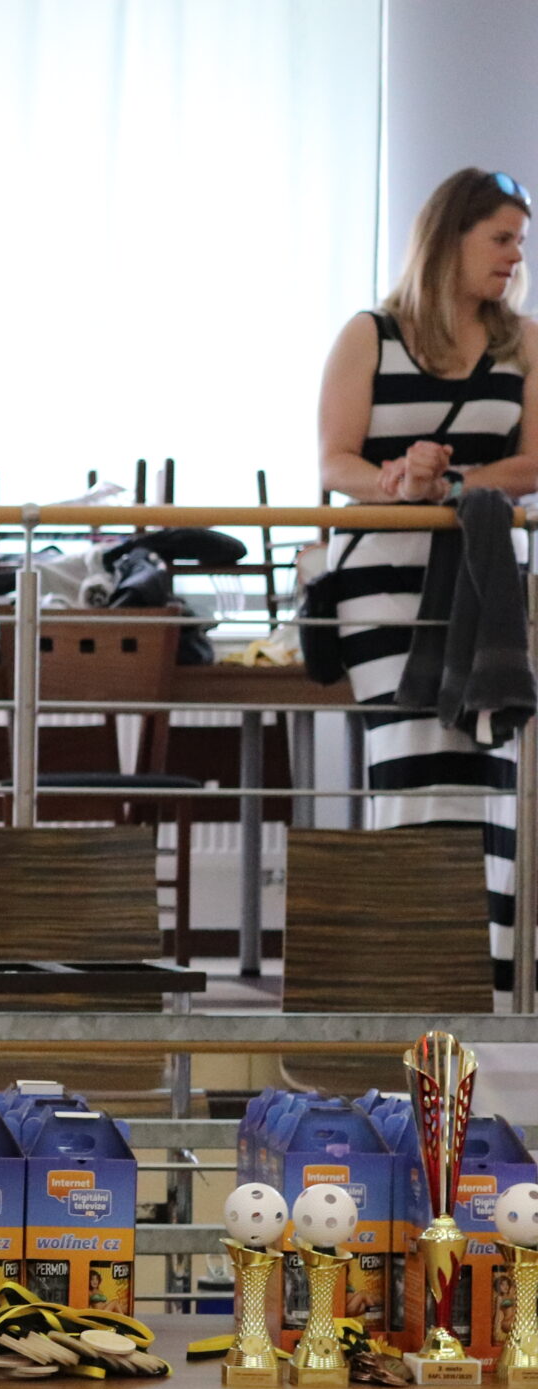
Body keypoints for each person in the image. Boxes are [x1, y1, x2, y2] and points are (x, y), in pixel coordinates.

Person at [317, 166, 538, 991]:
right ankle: (408, 978)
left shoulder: (523, 342)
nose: (515, 257)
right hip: (383, 586)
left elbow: (535, 462)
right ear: (451, 237)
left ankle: (487, 988)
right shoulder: (370, 334)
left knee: (490, 771)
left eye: (520, 242)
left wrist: (453, 482)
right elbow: (335, 460)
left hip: (487, 584)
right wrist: (397, 480)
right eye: (501, 238)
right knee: (410, 764)